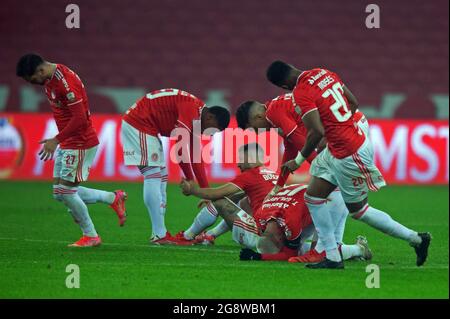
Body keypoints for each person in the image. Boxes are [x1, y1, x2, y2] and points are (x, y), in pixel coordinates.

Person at [266, 60, 431, 268]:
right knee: (313, 197)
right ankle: (332, 255)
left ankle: (417, 239)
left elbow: (315, 132)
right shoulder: (323, 72)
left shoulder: (301, 93)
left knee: (359, 211)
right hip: (338, 148)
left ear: (283, 87)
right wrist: (339, 129)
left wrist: (297, 161)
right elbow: (353, 102)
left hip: (350, 153)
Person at [180, 144, 370, 263]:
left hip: (266, 227)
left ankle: (188, 236)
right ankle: (357, 249)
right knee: (307, 249)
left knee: (220, 202)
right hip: (285, 220)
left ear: (251, 159)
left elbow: (218, 194)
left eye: (241, 159)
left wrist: (193, 190)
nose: (238, 164)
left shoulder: (249, 175)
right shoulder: (270, 174)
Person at [16, 53, 127, 247]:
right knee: (60, 193)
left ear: (40, 70)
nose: (32, 84)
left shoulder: (64, 83)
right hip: (69, 141)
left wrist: (56, 140)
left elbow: (80, 119)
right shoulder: (49, 79)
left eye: (32, 79)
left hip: (80, 141)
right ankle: (112, 198)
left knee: (66, 192)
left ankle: (91, 236)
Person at [121, 88, 230, 244]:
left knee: (161, 177)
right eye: (212, 130)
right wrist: (190, 180)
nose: (210, 134)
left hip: (148, 128)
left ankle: (159, 233)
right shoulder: (190, 109)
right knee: (153, 175)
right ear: (210, 117)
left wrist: (206, 193)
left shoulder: (198, 115)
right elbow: (179, 149)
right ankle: (159, 235)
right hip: (139, 123)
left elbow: (196, 157)